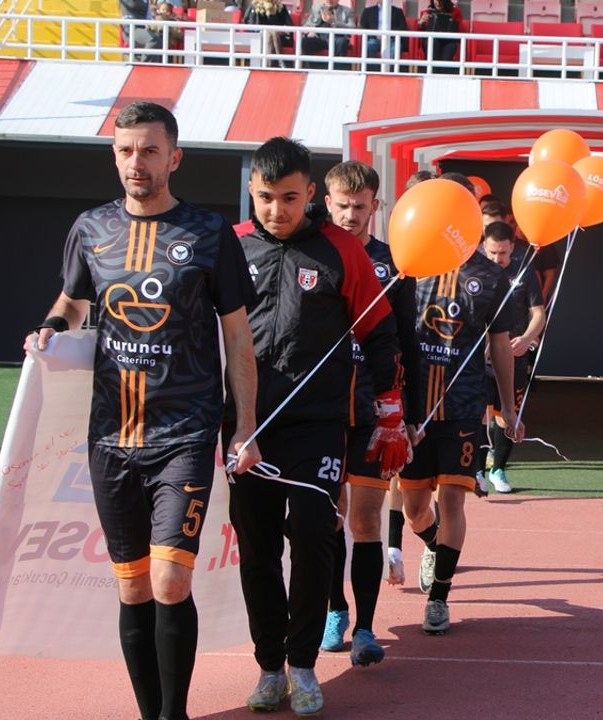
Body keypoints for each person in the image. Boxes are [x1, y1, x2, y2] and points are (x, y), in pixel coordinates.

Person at [24, 101, 261, 720]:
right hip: (111, 436)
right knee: (132, 586)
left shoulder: (208, 233)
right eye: (127, 151)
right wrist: (52, 325)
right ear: (115, 156)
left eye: (150, 151)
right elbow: (73, 302)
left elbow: (238, 338)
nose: (138, 162)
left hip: (185, 433)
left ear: (174, 158)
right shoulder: (91, 227)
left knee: (170, 580)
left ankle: (173, 714)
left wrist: (244, 425)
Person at [230, 137, 410, 716]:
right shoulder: (231, 246)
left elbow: (380, 332)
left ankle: (303, 664)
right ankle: (269, 668)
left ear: (310, 193)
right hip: (248, 428)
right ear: (251, 191)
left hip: (319, 426)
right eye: (265, 197)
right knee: (258, 551)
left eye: (289, 198)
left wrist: (390, 410)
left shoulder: (341, 250)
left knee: (312, 537)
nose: (276, 210)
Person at [402, 175, 523, 635]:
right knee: (415, 508)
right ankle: (433, 545)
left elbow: (500, 346)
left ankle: (439, 598)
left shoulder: (490, 276)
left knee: (453, 497)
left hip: (464, 407)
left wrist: (508, 408)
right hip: (415, 409)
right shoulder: (410, 265)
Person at [317, 161, 422, 668]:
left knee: (363, 519)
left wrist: (409, 415)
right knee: (328, 517)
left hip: (373, 413)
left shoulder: (395, 264)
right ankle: (334, 608)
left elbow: (407, 342)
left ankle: (364, 628)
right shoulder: (312, 252)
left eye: (360, 206)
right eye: (342, 205)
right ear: (327, 202)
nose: (351, 215)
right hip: (321, 412)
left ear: (375, 207)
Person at [480, 221, 547, 494]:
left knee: (507, 415)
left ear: (512, 248)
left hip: (513, 356)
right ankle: (476, 471)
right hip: (478, 359)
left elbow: (539, 313)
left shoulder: (524, 270)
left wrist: (528, 338)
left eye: (503, 253)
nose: (497, 259)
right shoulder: (474, 269)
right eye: (492, 252)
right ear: (484, 247)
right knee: (477, 414)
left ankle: (498, 470)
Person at [243, 0, 293, 66]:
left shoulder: (281, 7)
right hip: (259, 36)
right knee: (269, 34)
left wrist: (280, 31)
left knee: (273, 33)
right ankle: (280, 61)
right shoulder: (254, 6)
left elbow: (289, 26)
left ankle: (267, 65)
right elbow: (250, 24)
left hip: (279, 37)